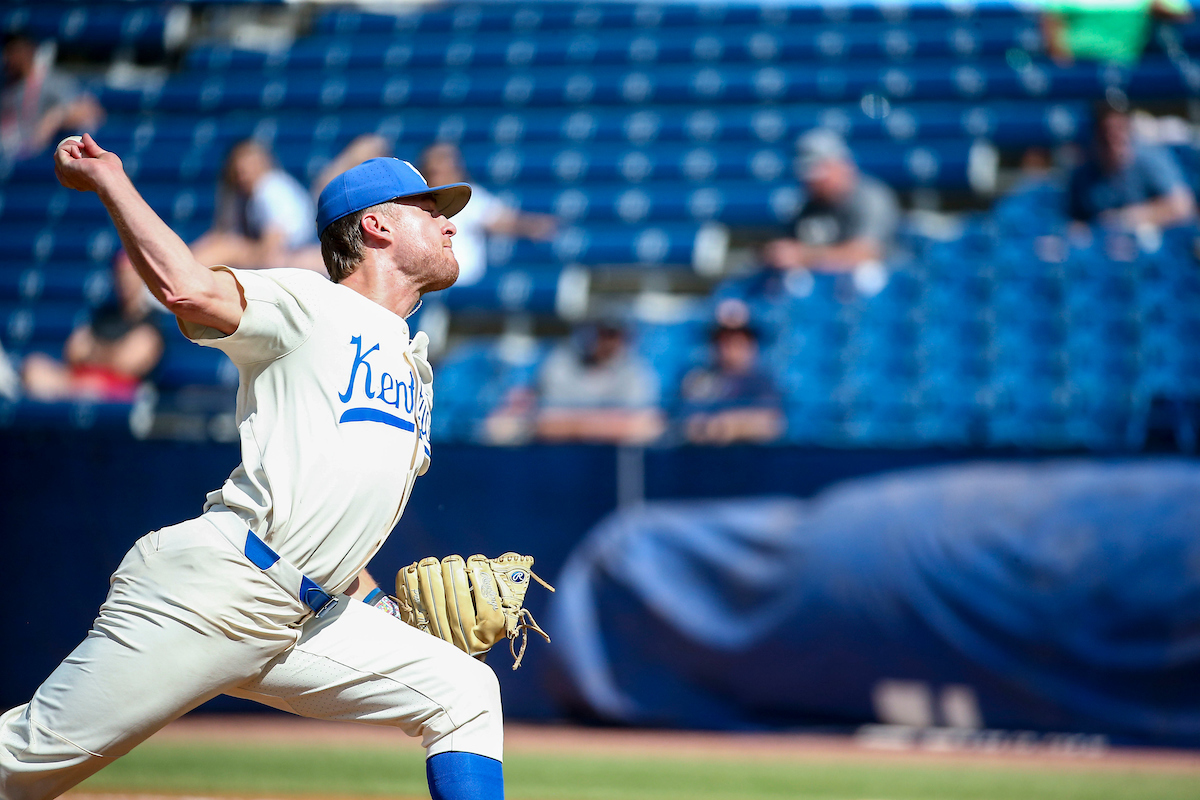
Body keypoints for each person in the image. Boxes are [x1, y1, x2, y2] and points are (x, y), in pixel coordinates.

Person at [0, 134, 509, 800]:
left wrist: (383, 607)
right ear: (376, 224)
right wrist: (111, 180)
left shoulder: (414, 367)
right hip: (217, 591)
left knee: (465, 690)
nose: (450, 223)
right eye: (430, 209)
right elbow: (186, 289)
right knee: (22, 766)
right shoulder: (308, 303)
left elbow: (330, 512)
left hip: (305, 616)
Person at [21, 250, 164, 402]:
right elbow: (74, 350)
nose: (125, 280)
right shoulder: (103, 313)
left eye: (131, 273)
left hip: (118, 391)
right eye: (121, 273)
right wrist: (111, 353)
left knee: (91, 387)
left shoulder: (151, 320)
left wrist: (93, 350)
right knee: (34, 367)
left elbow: (127, 363)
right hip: (79, 381)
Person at [763, 128, 901, 274]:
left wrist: (804, 255)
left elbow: (866, 254)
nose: (812, 183)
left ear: (841, 165)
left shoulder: (871, 198)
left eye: (820, 173)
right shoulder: (809, 203)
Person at [420, 143, 556, 287]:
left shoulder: (469, 196)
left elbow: (501, 221)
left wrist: (534, 226)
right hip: (429, 282)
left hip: (464, 282)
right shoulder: (416, 201)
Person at [189, 139, 326, 273]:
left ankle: (188, 270)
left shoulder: (268, 188)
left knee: (225, 248)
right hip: (291, 252)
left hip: (292, 256)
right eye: (238, 173)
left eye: (246, 170)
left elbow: (274, 242)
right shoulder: (257, 193)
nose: (242, 177)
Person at [1067, 103, 1196, 229]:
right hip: (1102, 245)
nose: (1112, 139)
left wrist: (1125, 219)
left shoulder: (1149, 158)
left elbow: (1182, 206)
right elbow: (1073, 222)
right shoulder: (1083, 172)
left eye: (1119, 130)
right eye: (1105, 133)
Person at [535, 321, 663, 444]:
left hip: (615, 459)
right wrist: (609, 425)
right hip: (566, 457)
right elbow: (545, 425)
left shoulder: (635, 369)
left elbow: (646, 427)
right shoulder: (560, 363)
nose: (606, 341)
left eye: (611, 334)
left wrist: (575, 424)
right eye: (600, 333)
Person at [678, 315, 783, 446]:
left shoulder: (763, 382)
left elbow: (772, 425)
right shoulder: (698, 378)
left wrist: (727, 426)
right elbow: (686, 424)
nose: (731, 347)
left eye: (739, 340)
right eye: (724, 340)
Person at [1, 33, 104, 160]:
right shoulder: (7, 88)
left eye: (13, 52)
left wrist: (56, 116)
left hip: (46, 155)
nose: (8, 58)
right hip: (10, 154)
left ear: (28, 50)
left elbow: (88, 110)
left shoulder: (54, 82)